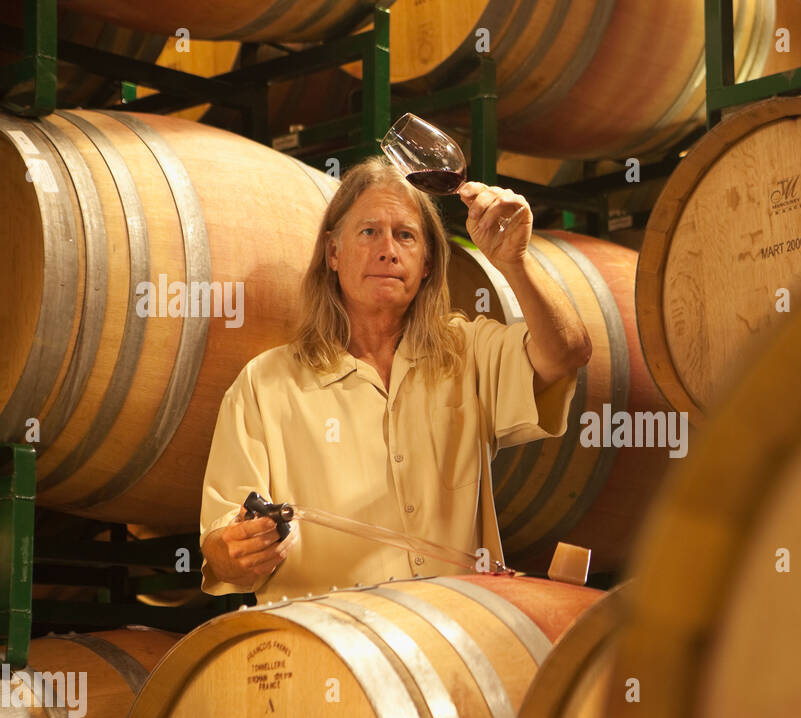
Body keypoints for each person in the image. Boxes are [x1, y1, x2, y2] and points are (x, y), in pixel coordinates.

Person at [198, 156, 591, 601]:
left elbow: (567, 353)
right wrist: (236, 550)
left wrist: (515, 261)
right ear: (332, 252)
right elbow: (219, 546)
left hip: (451, 642)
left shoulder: (468, 353)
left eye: (405, 235)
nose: (388, 249)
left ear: (425, 263)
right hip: (329, 651)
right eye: (369, 232)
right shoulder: (264, 384)